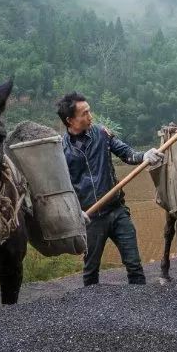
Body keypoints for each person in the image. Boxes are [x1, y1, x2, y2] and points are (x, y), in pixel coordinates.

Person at [56, 92, 163, 286]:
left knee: (134, 265)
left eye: (90, 111)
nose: (90, 116)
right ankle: (93, 309)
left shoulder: (101, 133)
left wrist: (145, 156)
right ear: (70, 120)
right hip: (90, 218)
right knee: (90, 272)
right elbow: (62, 188)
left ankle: (141, 307)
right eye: (84, 113)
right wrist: (74, 210)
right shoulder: (61, 151)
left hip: (117, 210)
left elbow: (126, 153)